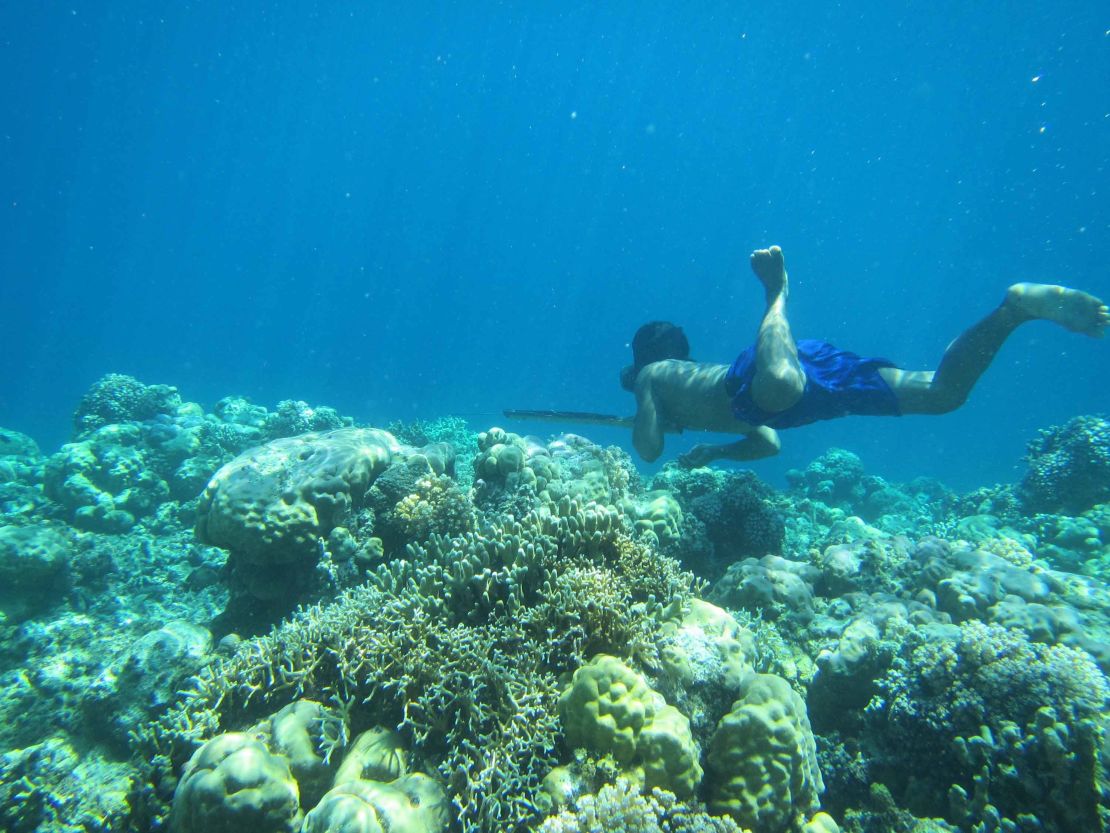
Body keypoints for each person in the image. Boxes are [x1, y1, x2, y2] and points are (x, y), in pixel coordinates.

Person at [620, 245, 1108, 468]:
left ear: (645, 357)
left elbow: (648, 450)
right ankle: (1012, 312)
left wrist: (652, 415)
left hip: (762, 379)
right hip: (795, 390)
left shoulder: (654, 375)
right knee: (943, 393)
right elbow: (769, 443)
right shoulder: (677, 376)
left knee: (781, 387)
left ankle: (776, 292)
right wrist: (715, 453)